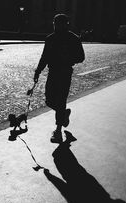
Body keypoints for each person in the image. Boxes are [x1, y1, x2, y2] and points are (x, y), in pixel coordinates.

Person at [34, 14, 85, 143]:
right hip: (53, 72)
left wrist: (68, 58)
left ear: (66, 24)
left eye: (60, 24)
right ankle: (64, 114)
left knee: (60, 100)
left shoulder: (73, 38)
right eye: (56, 23)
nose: (57, 26)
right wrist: (38, 71)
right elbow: (44, 56)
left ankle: (58, 131)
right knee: (49, 100)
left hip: (65, 72)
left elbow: (81, 57)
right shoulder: (50, 38)